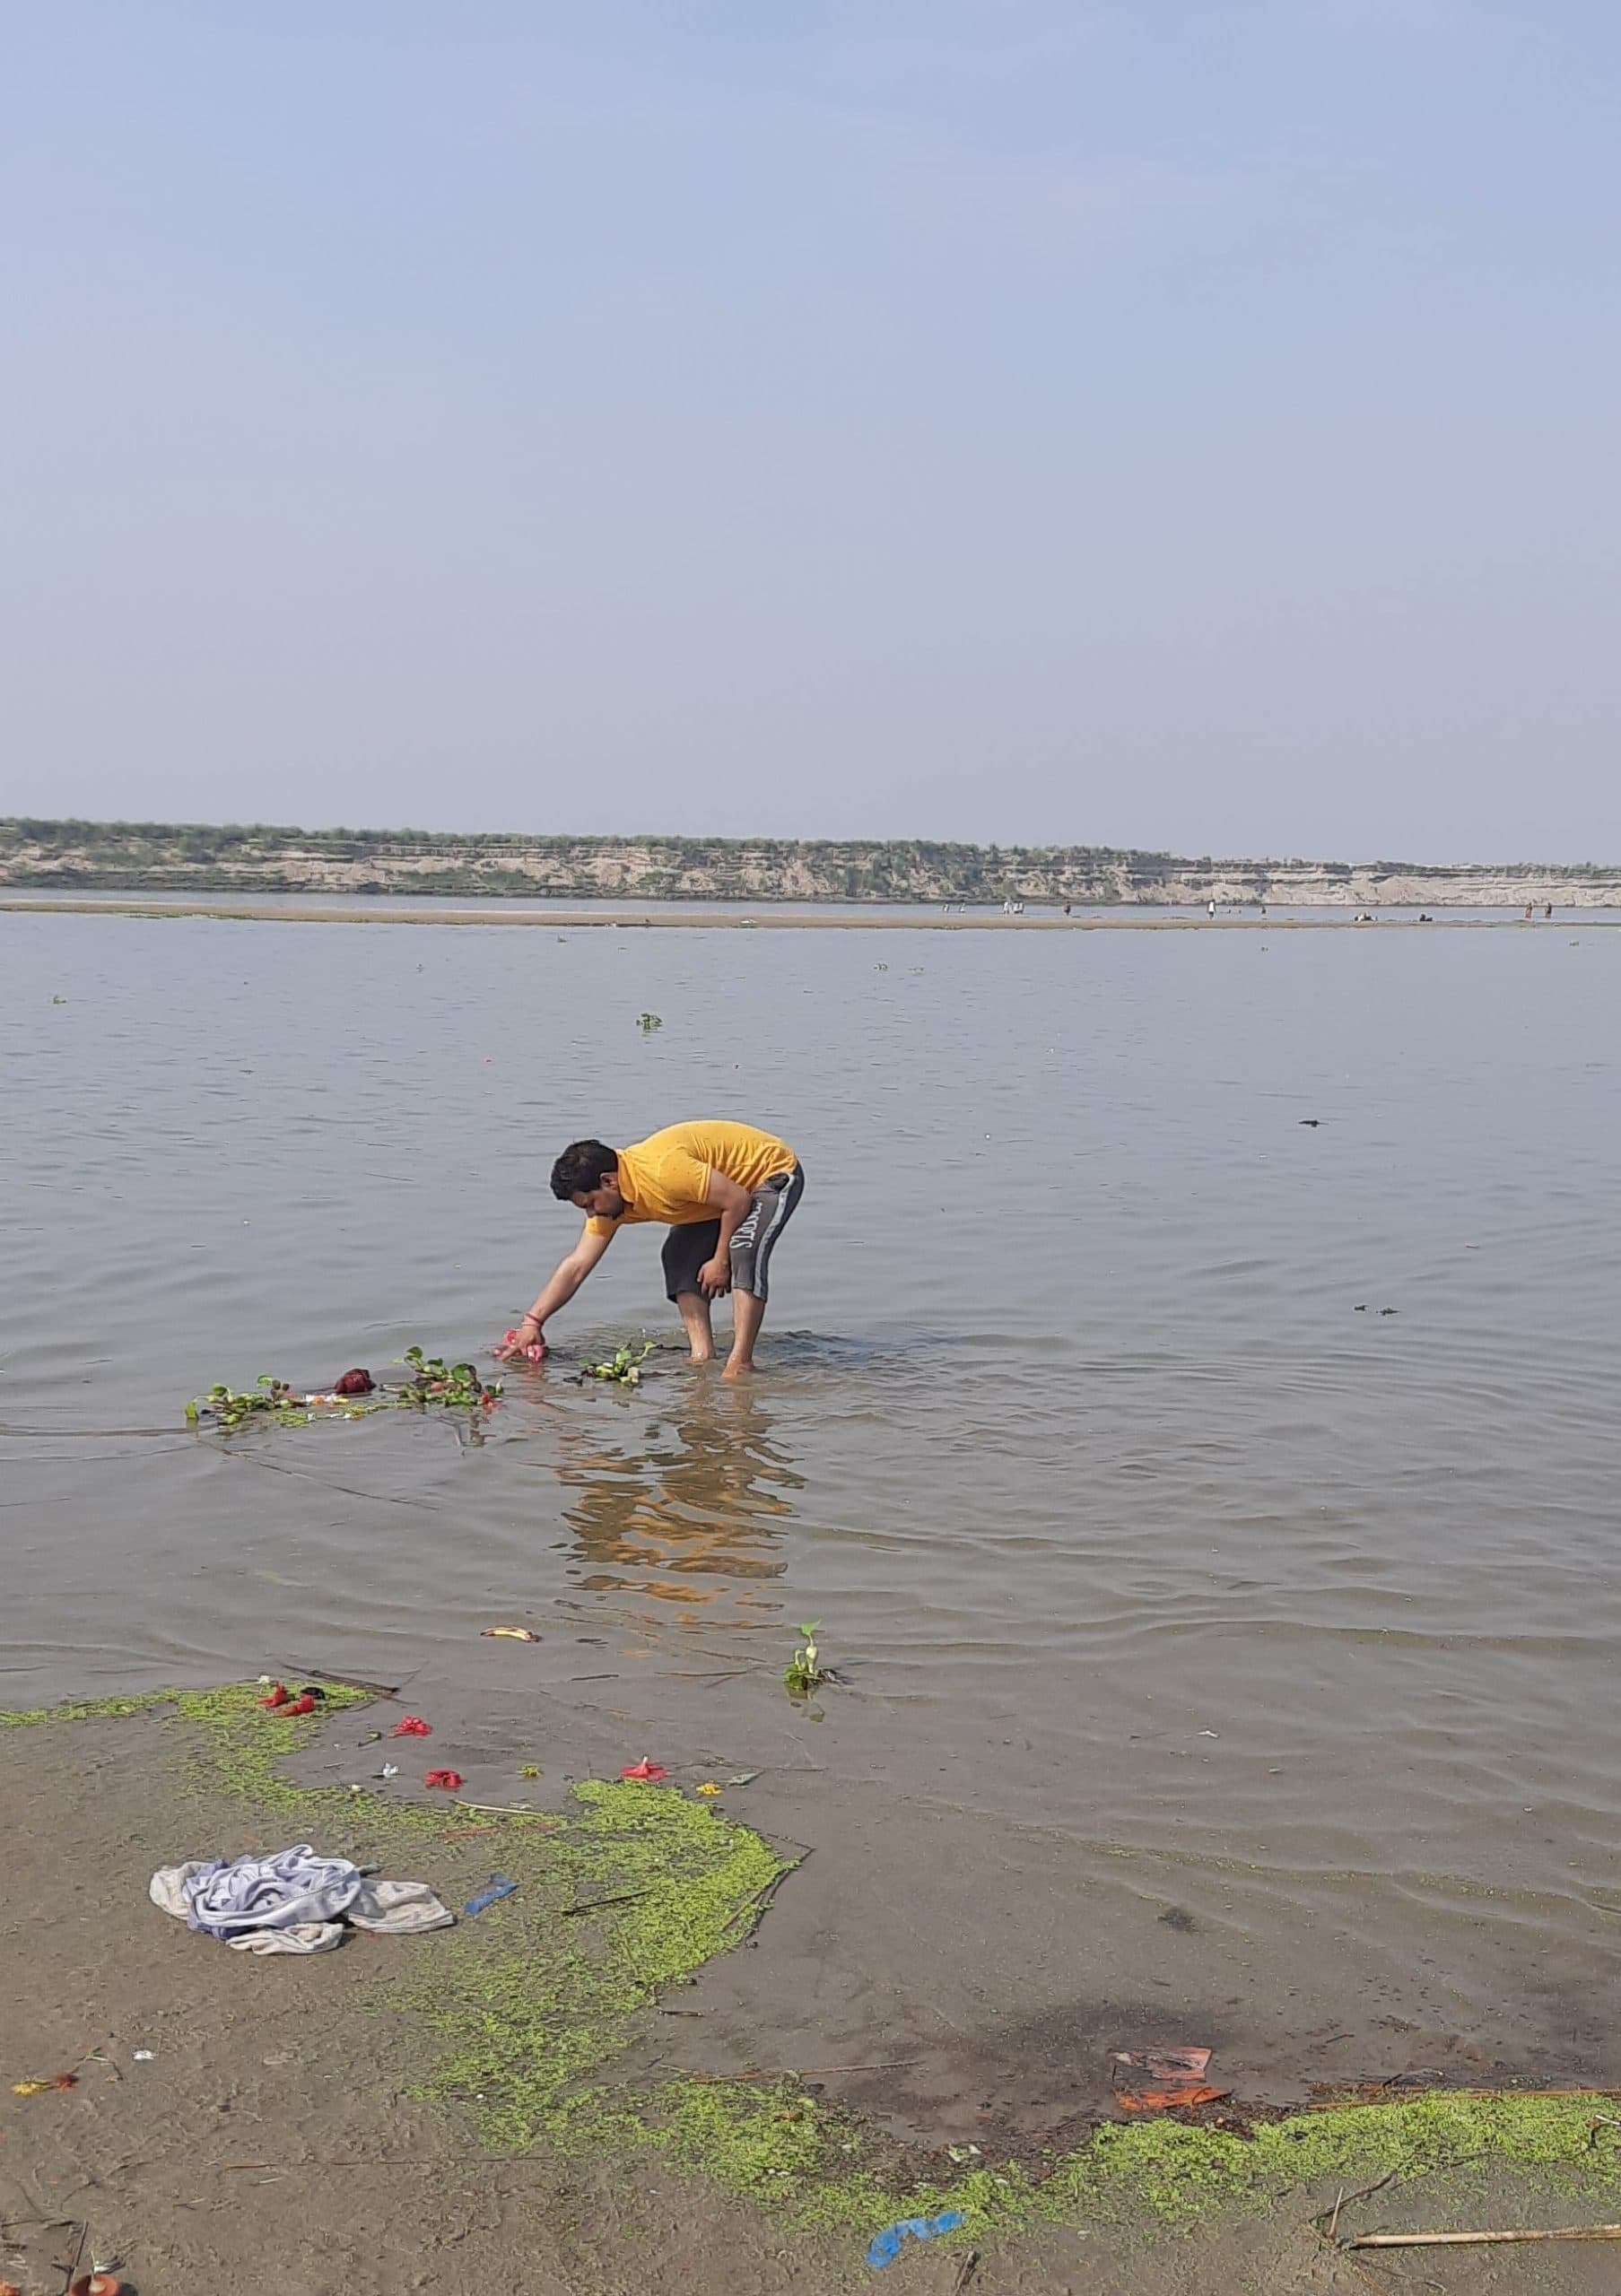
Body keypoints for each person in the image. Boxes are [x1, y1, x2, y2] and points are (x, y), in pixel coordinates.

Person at [497, 1120, 805, 1378]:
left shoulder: (663, 1172)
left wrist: (719, 1260)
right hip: (719, 1195)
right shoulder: (612, 1202)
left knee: (742, 1250)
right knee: (678, 1253)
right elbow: (577, 1265)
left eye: (590, 1204)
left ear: (609, 1181)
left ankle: (741, 1363)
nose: (591, 1215)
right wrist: (532, 1323)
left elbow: (738, 1200)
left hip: (768, 1173)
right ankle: (702, 1355)